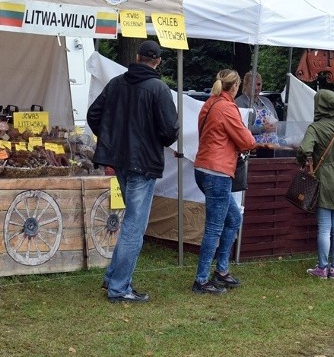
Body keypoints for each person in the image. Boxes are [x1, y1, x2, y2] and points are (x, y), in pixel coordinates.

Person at [87, 40, 179, 304]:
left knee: (131, 223)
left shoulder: (117, 83)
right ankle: (118, 287)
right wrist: (154, 142)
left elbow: (94, 114)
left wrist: (110, 141)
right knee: (134, 227)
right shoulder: (159, 89)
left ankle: (113, 278)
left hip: (122, 162)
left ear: (138, 57)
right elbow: (170, 129)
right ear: (158, 61)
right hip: (143, 164)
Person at [192, 69, 256, 294]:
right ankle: (201, 280)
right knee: (214, 228)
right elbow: (247, 141)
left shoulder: (209, 103)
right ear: (236, 86)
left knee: (233, 218)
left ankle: (221, 271)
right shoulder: (227, 107)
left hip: (203, 167)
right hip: (217, 171)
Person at [297, 89, 334, 280]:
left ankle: (322, 267)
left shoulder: (315, 127)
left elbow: (305, 149)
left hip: (325, 177)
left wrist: (304, 161)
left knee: (324, 227)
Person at [235, 71, 279, 143]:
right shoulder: (240, 102)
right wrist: (263, 128)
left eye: (258, 84)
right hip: (253, 147)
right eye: (252, 85)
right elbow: (241, 128)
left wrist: (275, 126)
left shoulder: (266, 101)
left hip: (273, 146)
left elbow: (277, 120)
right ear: (245, 85)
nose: (256, 88)